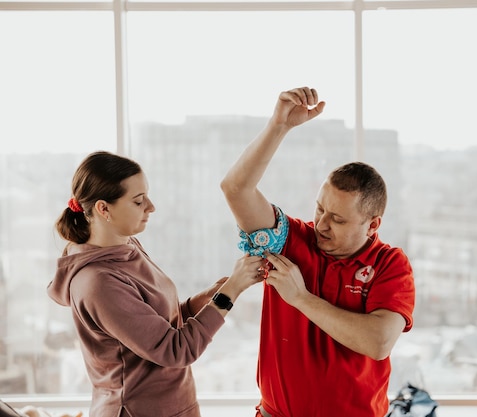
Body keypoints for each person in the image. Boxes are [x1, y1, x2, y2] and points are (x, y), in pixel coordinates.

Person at [220, 87, 416, 417]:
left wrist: (301, 298)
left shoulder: (390, 264)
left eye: (338, 219)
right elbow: (236, 189)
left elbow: (378, 343)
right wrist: (278, 126)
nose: (322, 224)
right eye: (320, 209)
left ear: (372, 225)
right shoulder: (290, 239)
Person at [48, 151, 265, 417]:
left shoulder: (128, 247)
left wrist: (219, 292)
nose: (151, 207)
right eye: (139, 201)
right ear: (104, 209)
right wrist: (231, 292)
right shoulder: (98, 283)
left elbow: (166, 321)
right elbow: (175, 349)